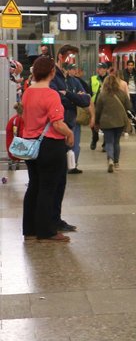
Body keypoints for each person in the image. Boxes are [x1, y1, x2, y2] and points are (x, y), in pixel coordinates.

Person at [21, 56, 74, 243]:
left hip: (30, 145)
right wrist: (69, 134)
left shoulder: (27, 92)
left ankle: (30, 229)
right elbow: (58, 124)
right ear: (52, 72)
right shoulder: (51, 94)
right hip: (49, 146)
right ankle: (47, 231)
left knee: (34, 186)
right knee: (48, 188)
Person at [49, 47, 89, 233]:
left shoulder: (72, 80)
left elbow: (86, 100)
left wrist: (68, 95)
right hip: (56, 132)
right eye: (68, 57)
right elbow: (56, 100)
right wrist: (72, 98)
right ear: (60, 57)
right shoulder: (53, 78)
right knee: (55, 179)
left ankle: (55, 219)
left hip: (68, 128)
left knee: (61, 179)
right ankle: (51, 221)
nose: (71, 62)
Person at [94, 73, 132, 173]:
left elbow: (97, 110)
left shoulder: (102, 95)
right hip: (119, 121)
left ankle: (110, 159)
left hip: (106, 122)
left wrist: (96, 122)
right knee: (116, 142)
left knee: (109, 142)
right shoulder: (122, 93)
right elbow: (129, 106)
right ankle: (116, 163)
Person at [89, 62, 110, 150]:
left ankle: (105, 143)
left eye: (101, 68)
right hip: (95, 104)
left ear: (105, 69)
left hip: (107, 104)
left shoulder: (110, 79)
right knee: (94, 123)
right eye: (98, 68)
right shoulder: (93, 78)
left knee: (106, 124)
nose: (99, 70)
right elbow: (89, 91)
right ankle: (95, 138)